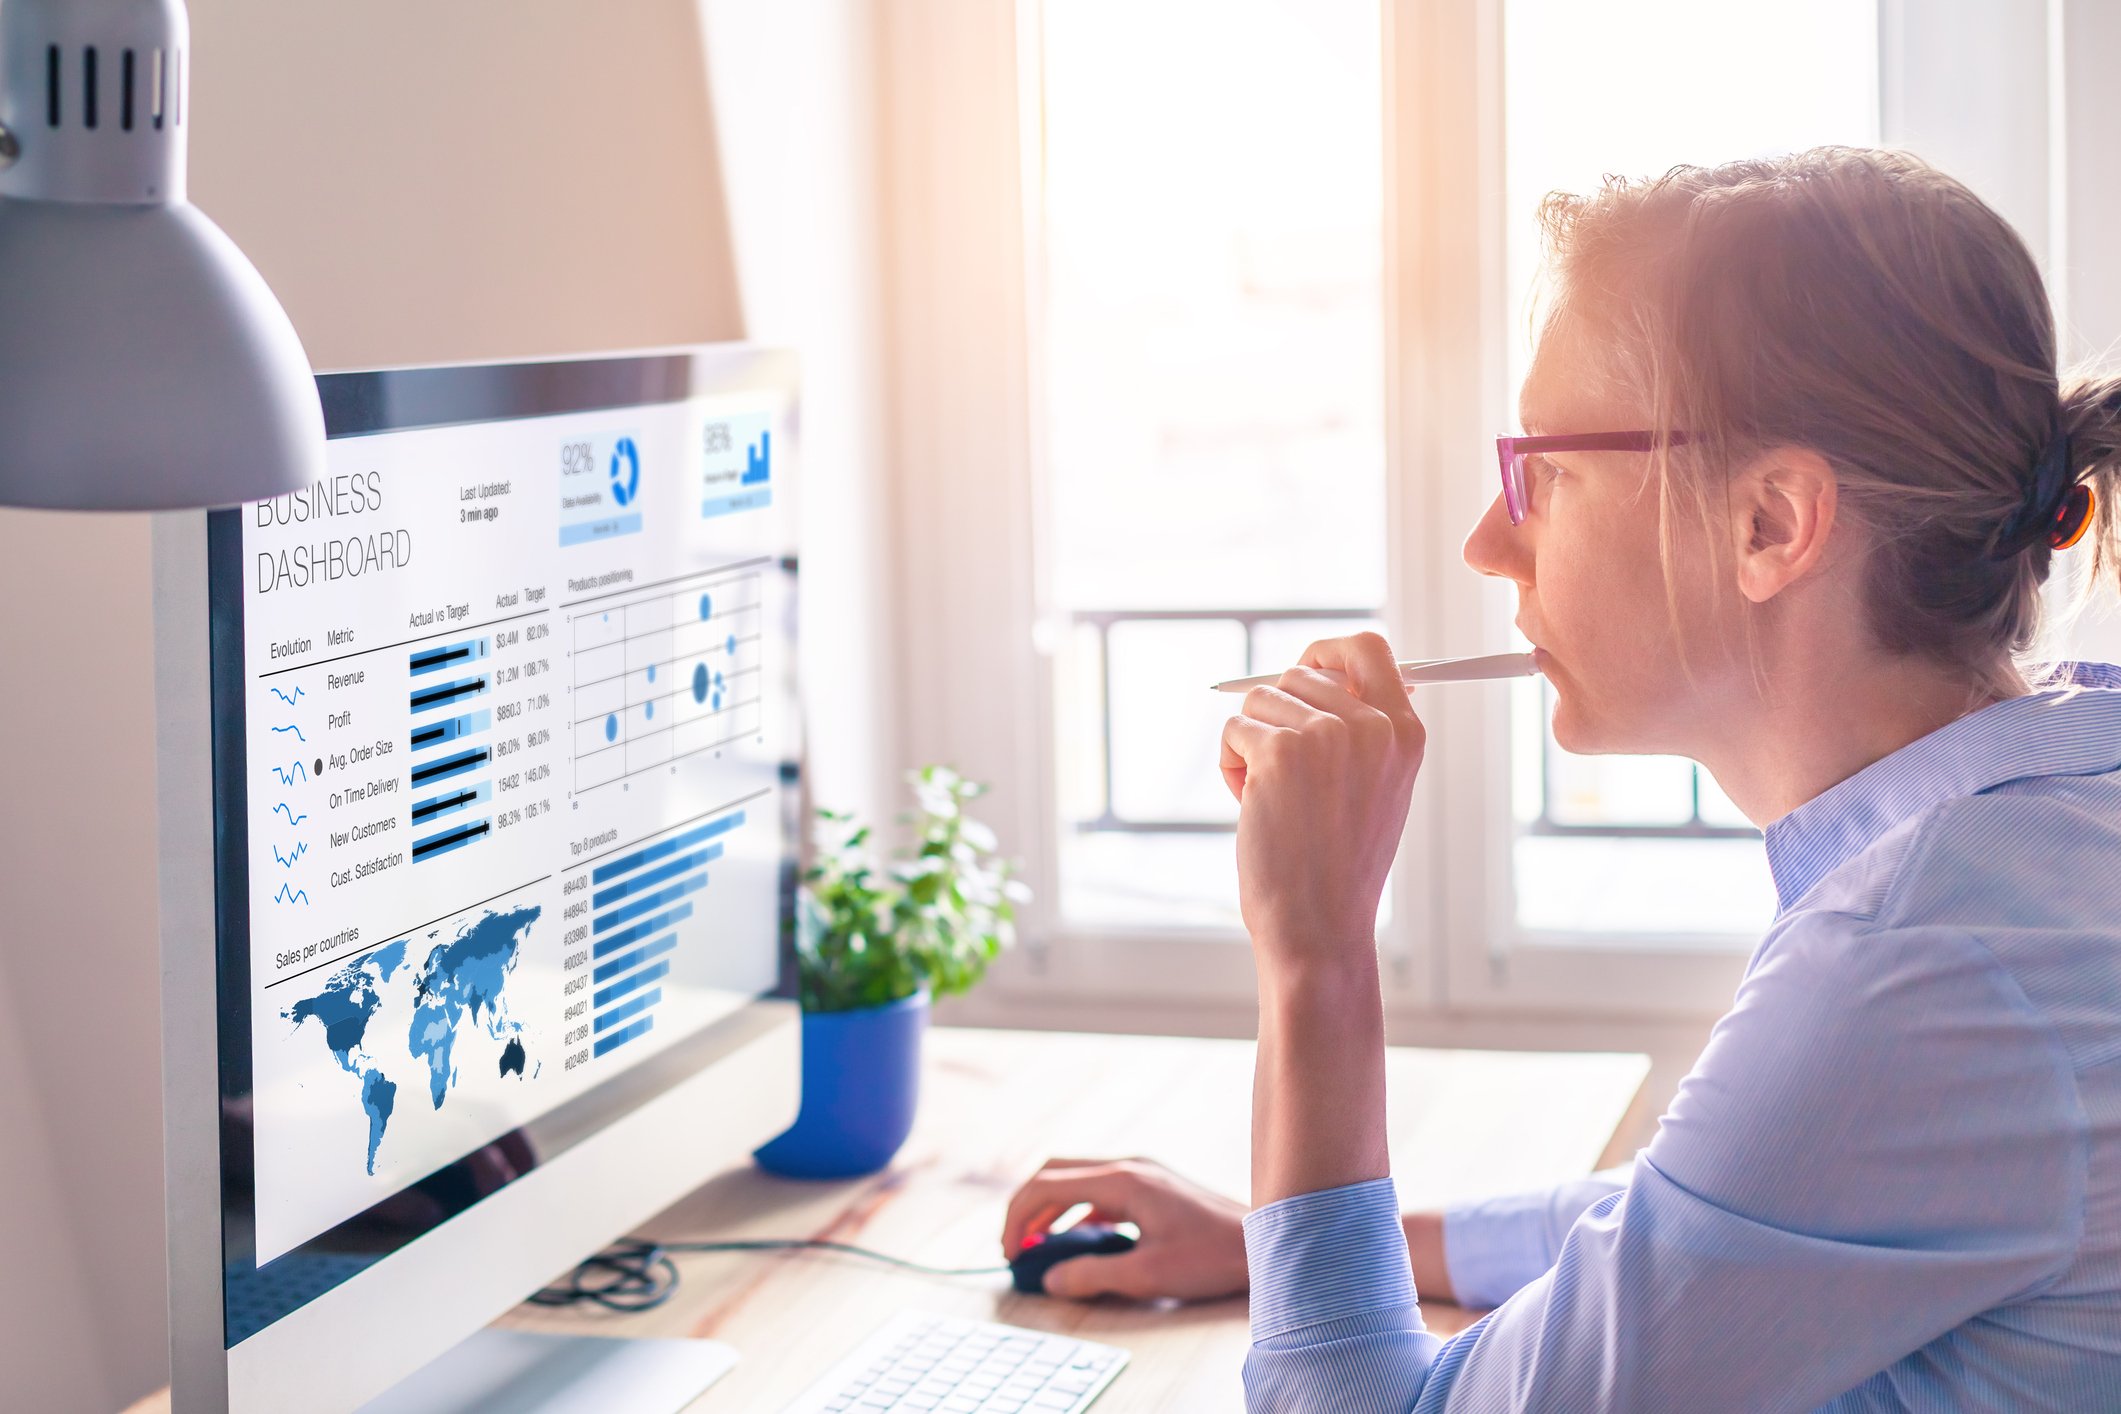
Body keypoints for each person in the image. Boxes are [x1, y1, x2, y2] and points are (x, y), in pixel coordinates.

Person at [1000, 147, 2121, 1410]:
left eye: (1545, 473)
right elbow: (1718, 1220)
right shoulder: (2047, 831)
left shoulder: (1919, 961)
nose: (1489, 542)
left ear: (1772, 522)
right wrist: (1286, 1244)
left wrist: (1315, 954)